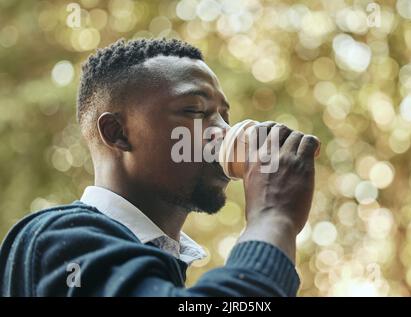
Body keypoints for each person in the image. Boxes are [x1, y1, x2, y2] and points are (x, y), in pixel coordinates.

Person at [0, 38, 319, 296]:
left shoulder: (156, 267)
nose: (223, 131)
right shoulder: (60, 237)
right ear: (117, 133)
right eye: (195, 111)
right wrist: (273, 217)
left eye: (224, 115)